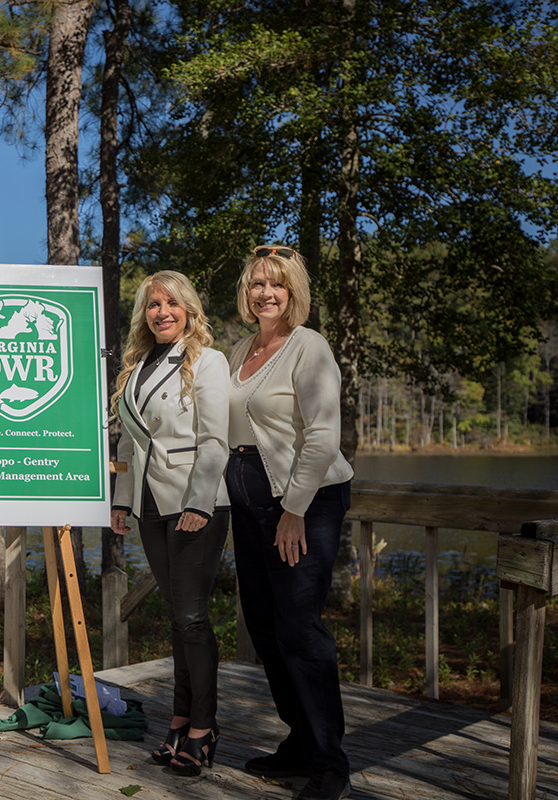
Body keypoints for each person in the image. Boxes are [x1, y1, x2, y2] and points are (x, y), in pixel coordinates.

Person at [227, 246, 354, 800]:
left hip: (305, 501)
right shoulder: (238, 350)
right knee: (263, 623)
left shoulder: (310, 347)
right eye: (257, 284)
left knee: (300, 628)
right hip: (249, 507)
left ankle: (330, 764)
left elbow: (323, 436)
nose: (266, 293)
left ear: (294, 291)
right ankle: (300, 742)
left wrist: (294, 509)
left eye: (276, 284)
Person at [109, 271, 230, 777]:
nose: (162, 311)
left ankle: (203, 730)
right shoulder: (136, 363)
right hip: (149, 503)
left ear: (189, 309)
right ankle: (180, 719)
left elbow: (215, 439)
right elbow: (127, 441)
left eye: (172, 303)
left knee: (194, 618)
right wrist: (120, 501)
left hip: (194, 502)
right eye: (153, 304)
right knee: (178, 620)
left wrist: (199, 502)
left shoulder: (208, 361)